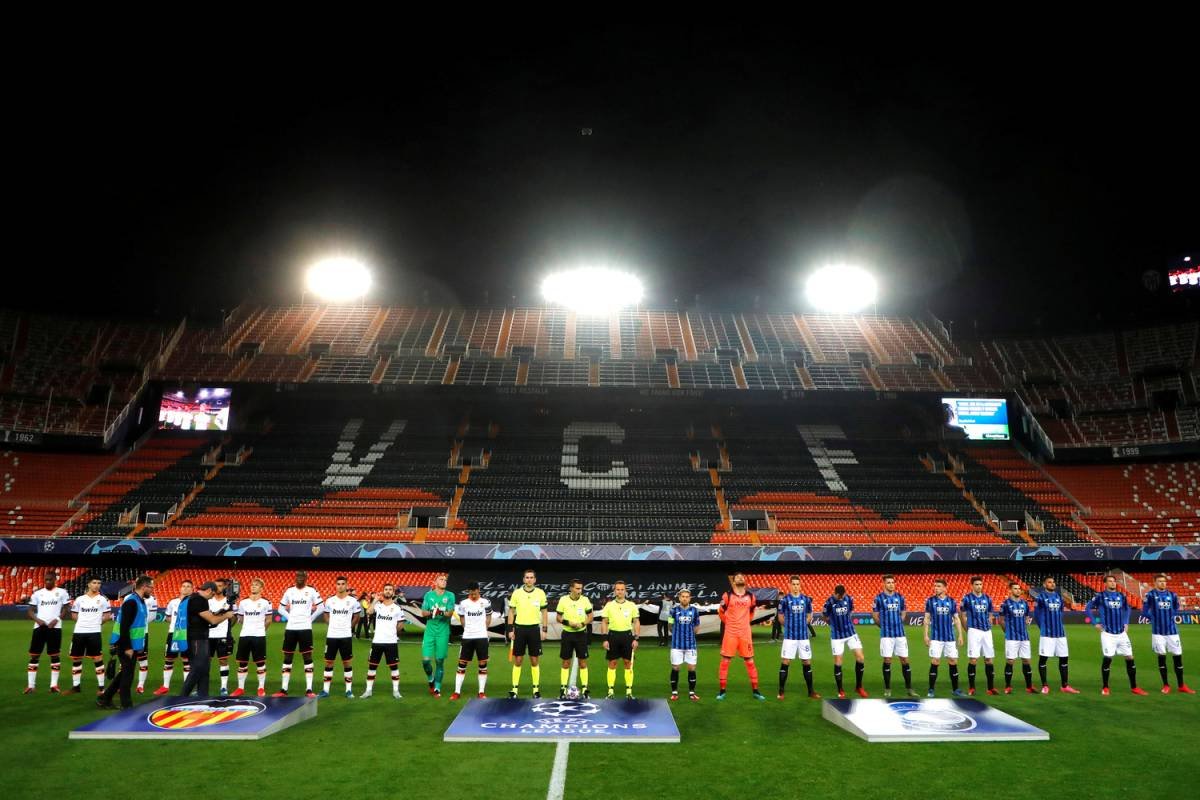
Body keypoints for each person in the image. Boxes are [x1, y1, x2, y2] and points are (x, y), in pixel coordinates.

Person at [97, 575, 154, 710]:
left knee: (125, 673)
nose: (152, 590)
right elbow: (124, 626)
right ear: (144, 587)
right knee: (128, 675)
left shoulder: (139, 601)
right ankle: (126, 705)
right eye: (151, 587)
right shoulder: (132, 602)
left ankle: (105, 698)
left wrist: (138, 646)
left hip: (132, 644)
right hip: (125, 644)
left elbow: (137, 626)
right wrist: (128, 647)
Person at [1086, 573, 1148, 696]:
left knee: (1130, 657)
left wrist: (1126, 622)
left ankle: (1134, 687)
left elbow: (1127, 609)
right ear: (1105, 584)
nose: (1113, 583)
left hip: (1121, 633)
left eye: (1114, 581)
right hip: (1108, 633)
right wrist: (1095, 623)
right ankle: (1105, 687)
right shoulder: (1100, 596)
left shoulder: (1121, 596)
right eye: (1110, 581)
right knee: (1108, 658)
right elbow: (1088, 608)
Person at [178, 581, 237, 697]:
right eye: (212, 594)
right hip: (196, 639)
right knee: (198, 668)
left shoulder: (192, 598)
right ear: (209, 590)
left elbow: (206, 619)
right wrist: (226, 615)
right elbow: (212, 620)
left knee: (204, 668)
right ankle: (182, 697)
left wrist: (221, 612)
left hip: (197, 637)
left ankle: (203, 696)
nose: (212, 597)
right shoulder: (199, 600)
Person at [717, 573, 766, 700]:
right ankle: (722, 691)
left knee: (750, 662)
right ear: (734, 581)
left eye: (742, 577)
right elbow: (721, 612)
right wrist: (730, 624)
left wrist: (745, 624)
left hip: (745, 634)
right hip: (731, 634)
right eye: (737, 577)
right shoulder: (727, 595)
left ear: (745, 580)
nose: (740, 578)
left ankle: (756, 691)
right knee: (725, 662)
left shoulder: (751, 596)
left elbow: (752, 612)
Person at [1143, 573, 1194, 694]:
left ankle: (1181, 685)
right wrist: (1154, 618)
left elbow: (1176, 608)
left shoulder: (1172, 595)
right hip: (1158, 633)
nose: (1163, 583)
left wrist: (1171, 616)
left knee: (1177, 656)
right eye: (1160, 581)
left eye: (1164, 581)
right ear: (1155, 583)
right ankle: (1166, 685)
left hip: (1172, 632)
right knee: (1162, 657)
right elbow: (1144, 611)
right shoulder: (1150, 595)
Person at [274, 570, 322, 698]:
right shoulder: (289, 591)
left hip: (305, 628)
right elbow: (280, 608)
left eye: (302, 576)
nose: (300, 578)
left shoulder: (311, 590)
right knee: (287, 657)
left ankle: (309, 689)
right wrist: (290, 617)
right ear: (295, 577)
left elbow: (321, 607)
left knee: (307, 657)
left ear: (306, 577)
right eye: (298, 576)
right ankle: (283, 689)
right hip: (291, 628)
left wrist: (310, 619)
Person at [25, 572, 71, 694]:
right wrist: (38, 620)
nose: (48, 582)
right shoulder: (38, 593)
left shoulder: (62, 592)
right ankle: (31, 685)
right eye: (46, 580)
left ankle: (54, 685)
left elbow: (67, 608)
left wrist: (57, 619)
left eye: (50, 580)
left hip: (55, 628)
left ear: (55, 580)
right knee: (34, 655)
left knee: (54, 655)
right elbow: (30, 611)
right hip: (40, 627)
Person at [1031, 576, 1078, 694]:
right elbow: (1036, 615)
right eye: (1049, 582)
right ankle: (1045, 685)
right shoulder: (1040, 597)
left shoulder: (1058, 597)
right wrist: (1043, 628)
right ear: (1044, 584)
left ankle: (1065, 685)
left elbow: (1061, 611)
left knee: (1064, 658)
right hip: (1047, 634)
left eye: (1053, 582)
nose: (1052, 584)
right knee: (1044, 658)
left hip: (1060, 633)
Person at [873, 574, 917, 698]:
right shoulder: (879, 598)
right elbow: (875, 615)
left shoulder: (900, 597)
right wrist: (883, 626)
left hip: (900, 634)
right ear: (884, 584)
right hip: (886, 635)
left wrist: (900, 621)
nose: (891, 584)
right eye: (888, 582)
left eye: (893, 582)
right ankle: (887, 688)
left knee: (905, 659)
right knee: (887, 660)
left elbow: (903, 611)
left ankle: (909, 688)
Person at [507, 569, 548, 699]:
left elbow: (545, 612)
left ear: (535, 580)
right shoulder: (517, 593)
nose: (529, 579)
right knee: (518, 660)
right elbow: (511, 612)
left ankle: (536, 689)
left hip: (534, 630)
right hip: (519, 630)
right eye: (527, 577)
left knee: (534, 660)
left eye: (531, 577)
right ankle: (514, 689)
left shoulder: (540, 593)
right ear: (523, 579)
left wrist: (544, 629)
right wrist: (510, 629)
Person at [776, 576, 819, 700]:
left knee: (806, 662)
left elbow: (810, 613)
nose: (795, 586)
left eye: (797, 584)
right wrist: (789, 626)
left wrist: (805, 622)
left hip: (803, 637)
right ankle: (781, 691)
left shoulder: (806, 599)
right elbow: (780, 617)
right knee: (785, 662)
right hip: (790, 637)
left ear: (800, 586)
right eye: (793, 584)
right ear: (790, 585)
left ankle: (811, 691)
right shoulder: (785, 600)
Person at [823, 584, 868, 699]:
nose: (842, 598)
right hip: (837, 636)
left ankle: (859, 686)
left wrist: (847, 620)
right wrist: (831, 624)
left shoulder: (849, 598)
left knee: (860, 657)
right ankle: (840, 689)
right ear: (836, 594)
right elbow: (824, 616)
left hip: (850, 633)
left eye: (844, 595)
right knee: (838, 661)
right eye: (840, 596)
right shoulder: (829, 602)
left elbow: (851, 610)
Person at [67, 577, 111, 695]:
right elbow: (74, 615)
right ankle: (76, 686)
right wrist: (83, 623)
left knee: (97, 658)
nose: (97, 585)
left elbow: (107, 616)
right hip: (79, 632)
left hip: (94, 632)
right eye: (94, 583)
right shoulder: (80, 599)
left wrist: (96, 623)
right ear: (88, 584)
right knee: (76, 658)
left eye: (99, 583)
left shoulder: (102, 600)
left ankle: (101, 688)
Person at [363, 583, 405, 699]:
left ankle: (396, 691)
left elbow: (401, 623)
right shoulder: (378, 606)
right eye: (386, 589)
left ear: (393, 592)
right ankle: (368, 690)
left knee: (394, 667)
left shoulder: (397, 608)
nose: (387, 591)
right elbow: (368, 612)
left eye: (390, 590)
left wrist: (393, 632)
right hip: (377, 641)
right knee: (372, 667)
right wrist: (375, 600)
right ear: (383, 591)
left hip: (391, 642)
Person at [321, 576, 360, 698]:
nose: (341, 586)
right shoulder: (330, 601)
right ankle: (325, 690)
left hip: (345, 636)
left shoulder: (353, 601)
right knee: (328, 663)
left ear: (346, 585)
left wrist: (349, 627)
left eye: (343, 583)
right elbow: (326, 615)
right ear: (335, 585)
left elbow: (357, 616)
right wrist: (331, 625)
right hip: (332, 635)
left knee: (347, 663)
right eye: (338, 583)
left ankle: (348, 690)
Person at [924, 579, 964, 697]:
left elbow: (956, 619)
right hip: (936, 637)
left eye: (939, 586)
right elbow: (926, 618)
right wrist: (926, 635)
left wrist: (960, 635)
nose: (936, 588)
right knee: (935, 661)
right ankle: (931, 689)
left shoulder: (951, 601)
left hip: (950, 637)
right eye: (935, 586)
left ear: (945, 588)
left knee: (953, 661)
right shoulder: (930, 601)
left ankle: (955, 689)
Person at [452, 582, 492, 700]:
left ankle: (481, 692)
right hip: (467, 637)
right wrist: (467, 628)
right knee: (462, 664)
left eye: (475, 592)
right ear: (468, 591)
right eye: (471, 592)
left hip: (481, 637)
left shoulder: (485, 602)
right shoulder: (463, 604)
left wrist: (484, 629)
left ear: (478, 590)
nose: (473, 595)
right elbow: (462, 618)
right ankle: (457, 692)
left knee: (483, 664)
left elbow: (489, 616)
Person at [232, 578, 272, 697]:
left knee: (260, 663)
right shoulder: (243, 602)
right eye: (252, 585)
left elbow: (269, 620)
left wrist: (260, 630)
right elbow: (240, 619)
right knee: (242, 663)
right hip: (244, 635)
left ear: (261, 588)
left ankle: (260, 688)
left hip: (259, 636)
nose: (253, 586)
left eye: (256, 585)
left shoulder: (266, 602)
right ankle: (240, 688)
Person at [555, 579, 594, 699]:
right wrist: (568, 622)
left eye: (581, 588)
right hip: (567, 634)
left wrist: (582, 624)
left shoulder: (585, 600)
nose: (579, 591)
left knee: (583, 662)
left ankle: (585, 688)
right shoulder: (563, 600)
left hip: (581, 635)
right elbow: (558, 617)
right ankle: (562, 688)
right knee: (566, 662)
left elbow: (590, 616)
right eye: (577, 588)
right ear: (571, 588)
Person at [601, 579, 639, 699]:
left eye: (622, 589)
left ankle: (628, 692)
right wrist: (605, 639)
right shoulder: (609, 605)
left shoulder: (631, 605)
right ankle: (610, 691)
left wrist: (636, 638)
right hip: (613, 636)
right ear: (614, 591)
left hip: (627, 637)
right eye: (618, 589)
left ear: (625, 591)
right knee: (612, 663)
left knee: (628, 663)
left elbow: (636, 621)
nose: (620, 591)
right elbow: (604, 622)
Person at [960, 576, 998, 696]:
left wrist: (990, 620)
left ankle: (990, 688)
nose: (979, 586)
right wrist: (968, 629)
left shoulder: (987, 598)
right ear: (972, 585)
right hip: (974, 631)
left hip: (987, 632)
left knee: (989, 659)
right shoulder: (967, 598)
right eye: (976, 584)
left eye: (980, 584)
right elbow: (962, 614)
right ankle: (972, 688)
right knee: (973, 659)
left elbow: (991, 612)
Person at [421, 574, 455, 697]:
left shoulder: (450, 595)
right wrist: (431, 612)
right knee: (425, 661)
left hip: (443, 632)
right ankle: (431, 679)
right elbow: (423, 612)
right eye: (441, 579)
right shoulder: (428, 595)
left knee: (439, 660)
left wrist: (440, 611)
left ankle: (437, 688)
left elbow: (450, 612)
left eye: (445, 580)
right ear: (435, 582)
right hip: (429, 632)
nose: (444, 581)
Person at [156, 580, 192, 695]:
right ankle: (165, 686)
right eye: (183, 586)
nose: (185, 588)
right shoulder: (173, 602)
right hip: (173, 634)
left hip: (187, 634)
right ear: (180, 588)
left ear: (192, 589)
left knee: (186, 661)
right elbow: (167, 617)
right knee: (169, 660)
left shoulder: (193, 602)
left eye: (188, 586)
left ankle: (187, 687)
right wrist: (175, 625)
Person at [998, 582, 1035, 694]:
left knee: (1027, 660)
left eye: (1019, 589)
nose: (1018, 590)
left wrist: (1025, 623)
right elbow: (1001, 620)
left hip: (1024, 637)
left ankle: (1029, 687)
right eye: (1015, 588)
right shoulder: (1005, 604)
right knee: (1010, 660)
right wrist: (1007, 632)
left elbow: (1027, 617)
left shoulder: (1024, 604)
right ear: (1010, 590)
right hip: (1012, 637)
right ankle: (1008, 686)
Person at [668, 588, 702, 701]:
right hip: (676, 645)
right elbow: (670, 626)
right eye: (683, 596)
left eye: (687, 596)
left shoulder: (695, 611)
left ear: (690, 598)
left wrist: (690, 635)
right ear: (679, 598)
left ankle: (692, 693)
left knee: (692, 668)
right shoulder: (673, 611)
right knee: (675, 667)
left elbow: (697, 626)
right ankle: (674, 692)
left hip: (691, 645)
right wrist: (677, 634)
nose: (685, 598)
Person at [209, 578, 235, 696]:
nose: (217, 588)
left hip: (222, 635)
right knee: (205, 661)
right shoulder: (208, 600)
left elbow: (234, 619)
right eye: (215, 586)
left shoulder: (230, 601)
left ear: (225, 587)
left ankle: (224, 687)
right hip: (208, 635)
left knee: (223, 660)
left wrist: (228, 625)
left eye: (220, 586)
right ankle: (203, 685)